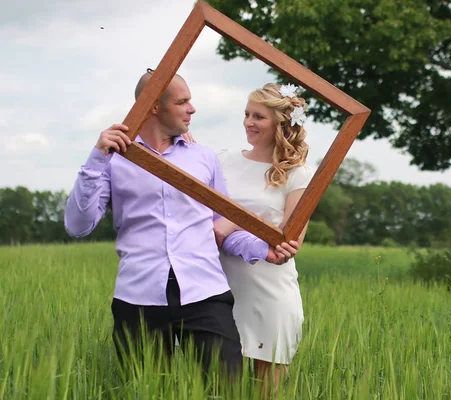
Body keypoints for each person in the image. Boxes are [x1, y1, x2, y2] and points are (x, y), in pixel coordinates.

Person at [63, 70, 297, 376]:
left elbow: (220, 224)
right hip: (139, 296)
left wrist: (264, 249)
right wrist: (97, 158)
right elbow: (78, 225)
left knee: (225, 388)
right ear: (154, 107)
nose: (192, 108)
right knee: (145, 391)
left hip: (205, 294)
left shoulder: (204, 158)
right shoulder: (114, 159)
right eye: (183, 101)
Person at [211, 83, 314, 393]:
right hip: (218, 291)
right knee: (217, 389)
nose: (248, 122)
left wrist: (231, 225)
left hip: (270, 294)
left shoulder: (298, 174)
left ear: (280, 125)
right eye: (246, 114)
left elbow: (288, 243)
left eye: (258, 117)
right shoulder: (224, 159)